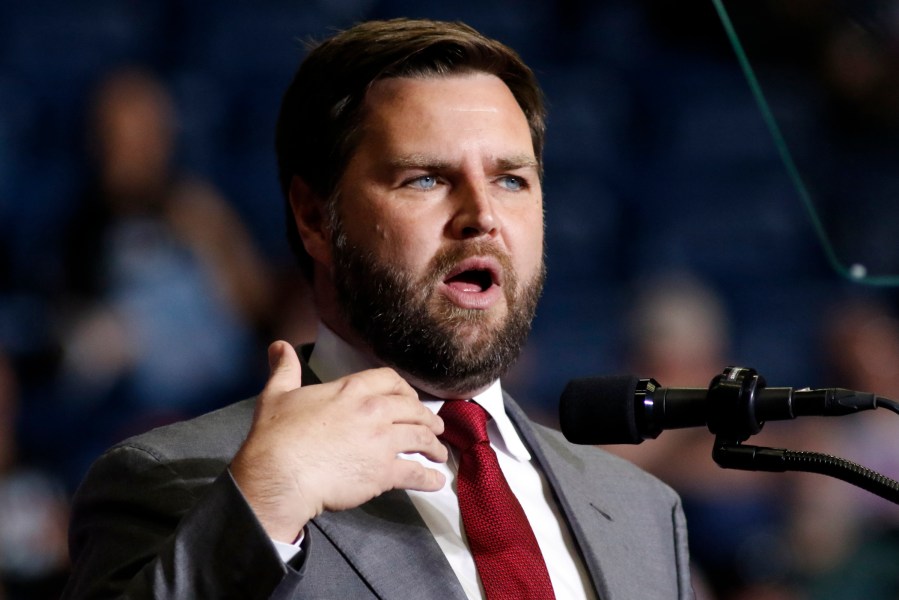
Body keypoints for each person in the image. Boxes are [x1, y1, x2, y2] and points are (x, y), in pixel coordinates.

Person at [62, 18, 693, 599]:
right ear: (316, 217)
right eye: (425, 178)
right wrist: (261, 508)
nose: (483, 218)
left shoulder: (641, 511)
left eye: (511, 179)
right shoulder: (181, 481)